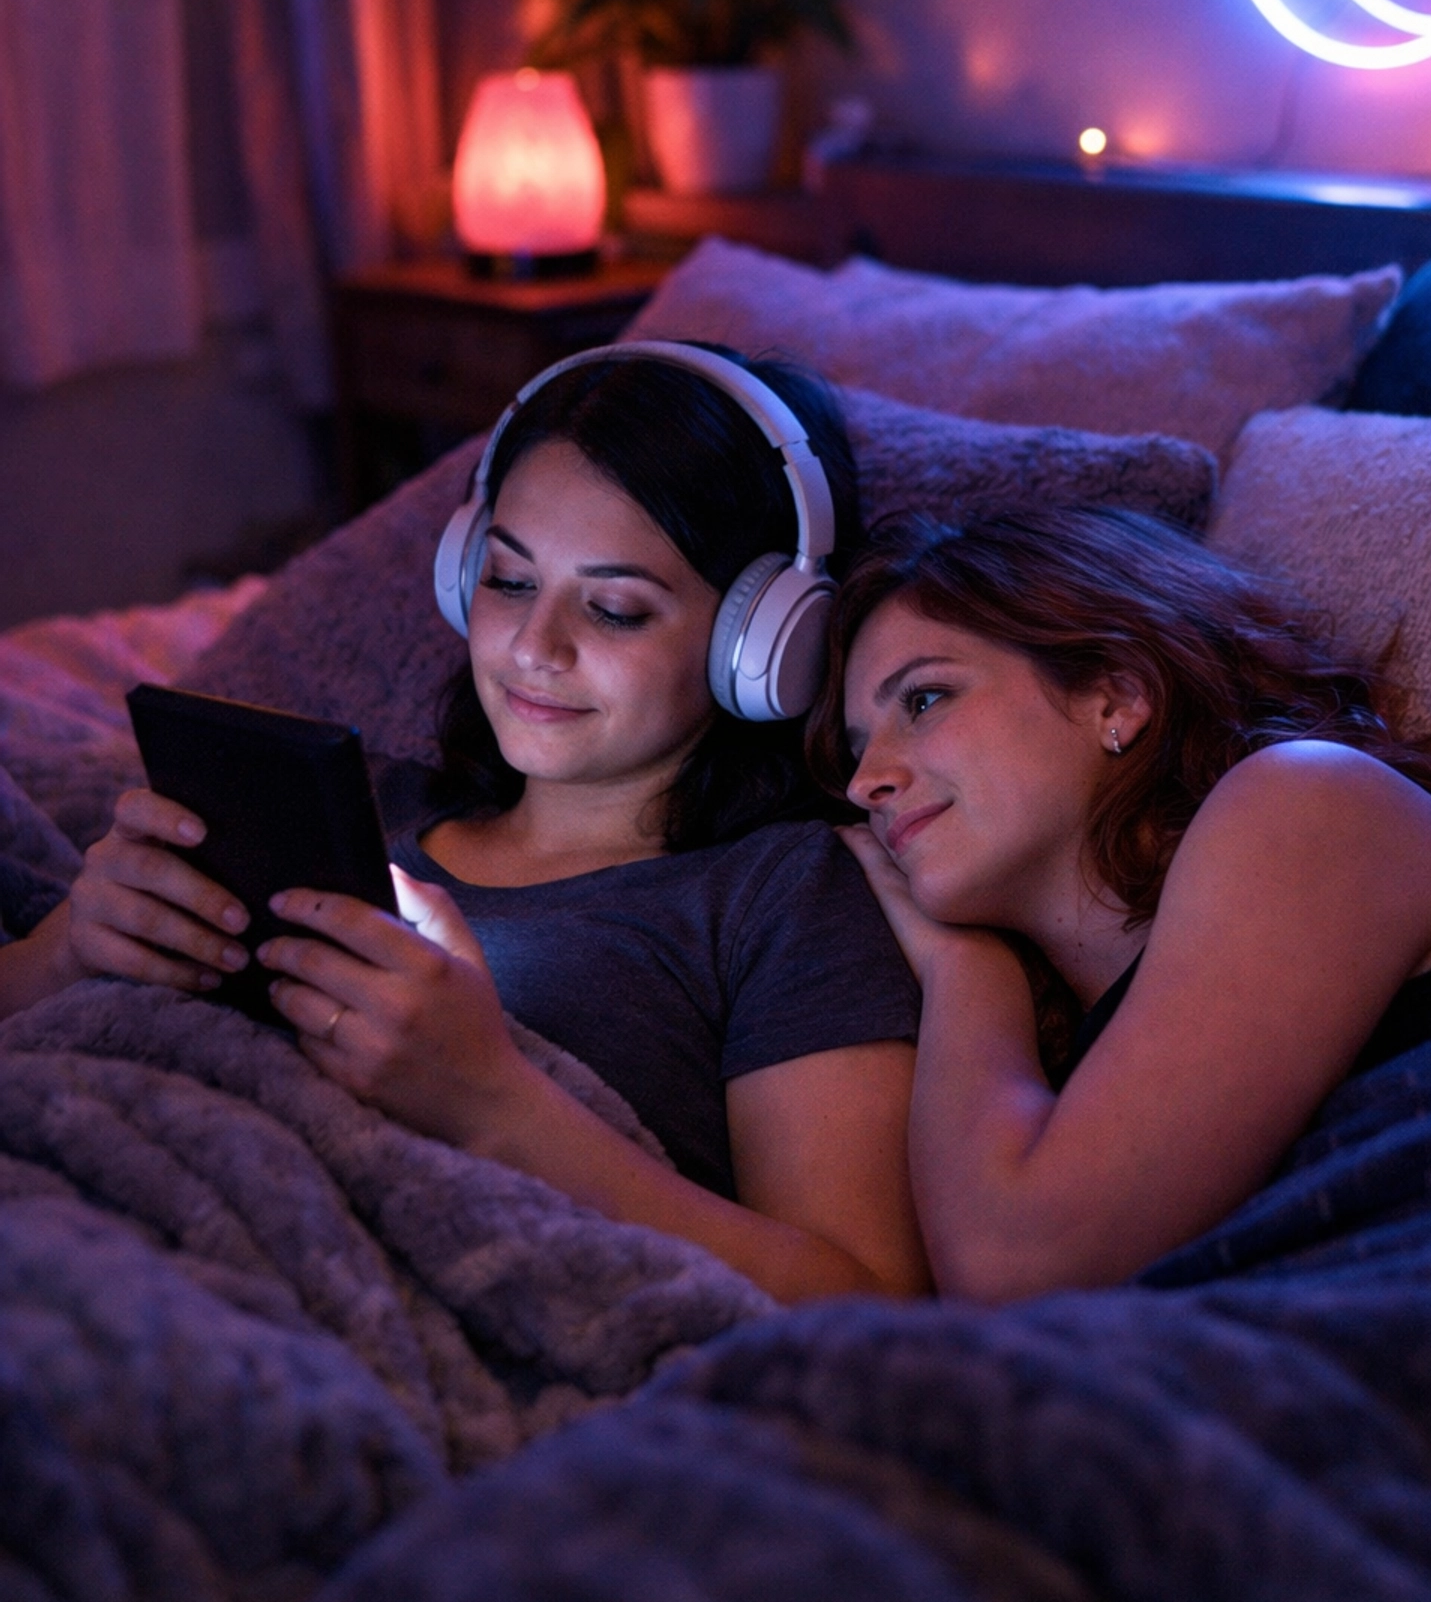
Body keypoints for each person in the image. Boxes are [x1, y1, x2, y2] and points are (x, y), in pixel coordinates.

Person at [2, 348, 929, 1304]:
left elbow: (861, 1304)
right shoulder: (350, 801)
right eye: (509, 581)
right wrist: (71, 950)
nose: (534, 647)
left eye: (614, 610)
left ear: (766, 644)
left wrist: (494, 1103)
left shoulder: (781, 895)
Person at [815, 505, 1431, 1304]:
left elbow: (1017, 1265)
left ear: (1115, 699)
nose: (865, 781)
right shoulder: (1052, 1070)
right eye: (856, 748)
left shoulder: (1306, 799)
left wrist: (962, 967)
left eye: (922, 700)